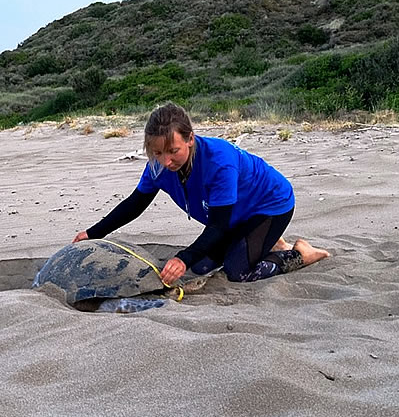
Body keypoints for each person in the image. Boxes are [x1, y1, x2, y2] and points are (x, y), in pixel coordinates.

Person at [73, 103, 329, 285]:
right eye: (158, 153)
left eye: (173, 150)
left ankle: (300, 254)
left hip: (270, 205)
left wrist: (182, 258)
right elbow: (135, 204)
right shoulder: (157, 167)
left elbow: (217, 226)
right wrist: (93, 233)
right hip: (234, 216)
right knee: (202, 266)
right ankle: (268, 241)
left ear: (190, 139)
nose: (166, 161)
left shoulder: (219, 162)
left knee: (237, 272)